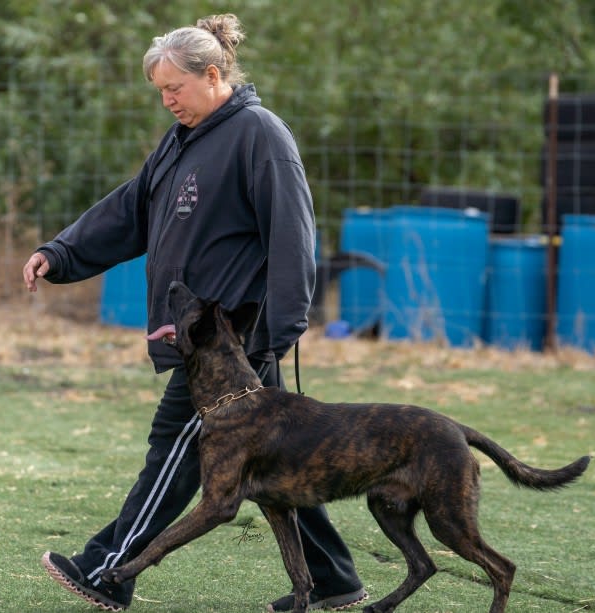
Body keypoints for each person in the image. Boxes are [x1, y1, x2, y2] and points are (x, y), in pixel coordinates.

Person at [23, 14, 366, 613]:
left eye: (173, 88)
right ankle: (334, 581)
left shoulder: (261, 135)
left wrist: (276, 334)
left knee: (176, 448)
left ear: (212, 75)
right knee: (274, 462)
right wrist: (62, 252)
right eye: (160, 90)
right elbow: (132, 208)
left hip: (232, 345)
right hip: (210, 340)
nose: (166, 100)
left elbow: (293, 238)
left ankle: (109, 570)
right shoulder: (184, 140)